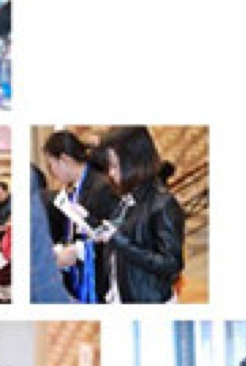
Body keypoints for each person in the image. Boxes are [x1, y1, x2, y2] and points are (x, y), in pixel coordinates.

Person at [98, 125, 185, 303]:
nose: (111, 173)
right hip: (122, 294)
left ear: (134, 162)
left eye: (115, 166)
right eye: (109, 166)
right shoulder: (127, 196)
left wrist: (119, 241)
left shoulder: (163, 203)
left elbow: (171, 264)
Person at [40, 130, 121, 303]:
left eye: (51, 165)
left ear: (64, 160)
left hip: (100, 279)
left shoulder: (101, 186)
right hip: (82, 273)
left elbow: (115, 236)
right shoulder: (76, 188)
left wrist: (78, 251)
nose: (52, 172)